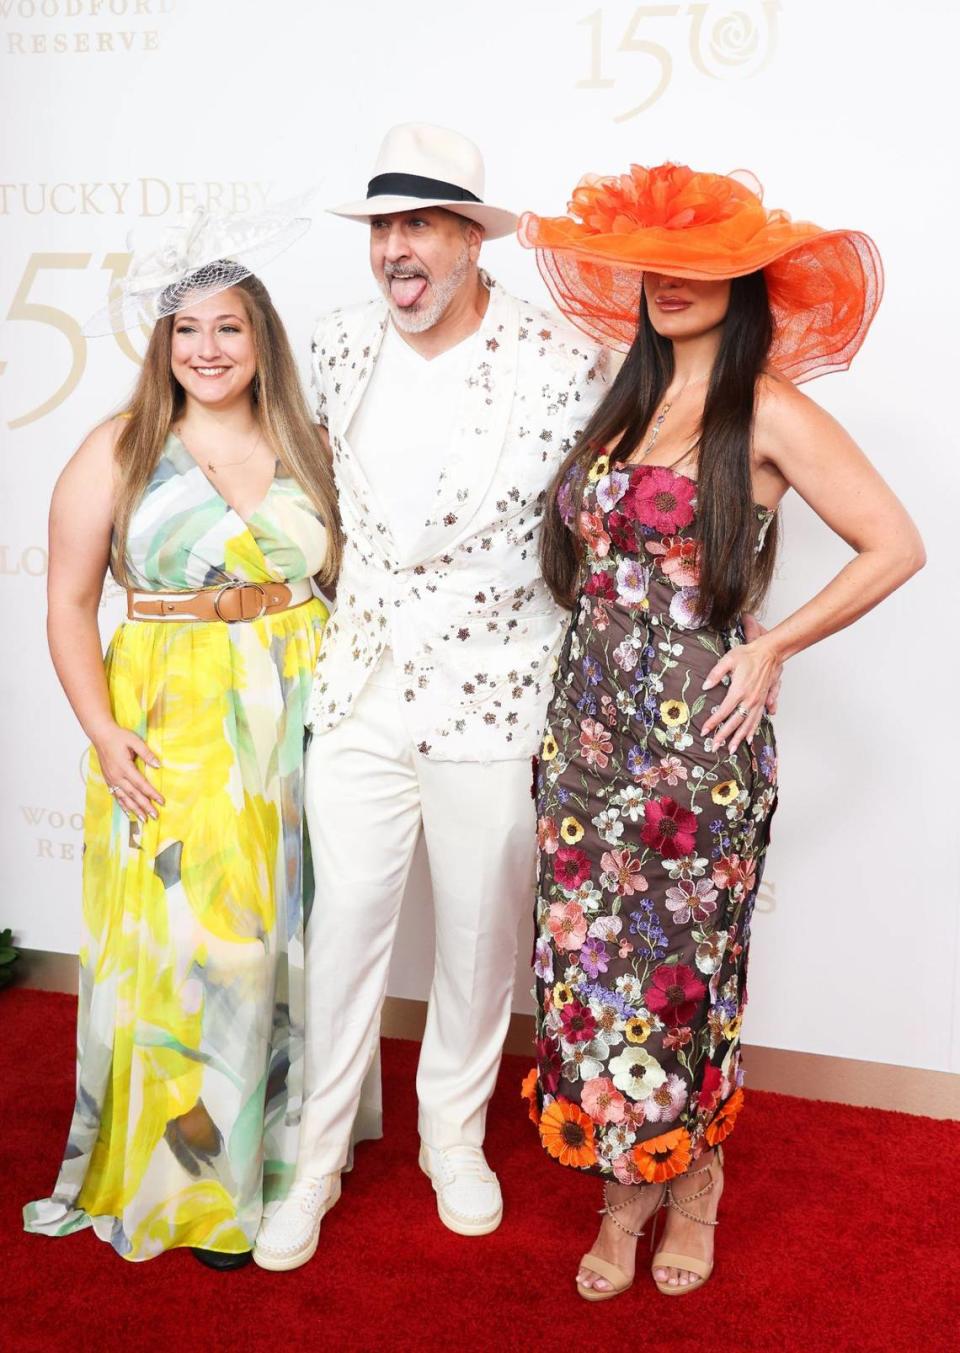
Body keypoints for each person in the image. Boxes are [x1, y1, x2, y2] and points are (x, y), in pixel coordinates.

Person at [519, 162, 924, 1299]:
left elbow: (895, 543)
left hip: (699, 736)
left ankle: (690, 1184)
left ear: (745, 285)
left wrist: (775, 642)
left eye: (700, 268)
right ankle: (623, 1183)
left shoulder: (774, 411)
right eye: (656, 266)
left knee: (681, 973)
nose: (671, 285)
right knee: (587, 973)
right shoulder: (623, 398)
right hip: (586, 731)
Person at [253, 123, 610, 1271]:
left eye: (418, 228)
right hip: (357, 690)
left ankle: (455, 1139)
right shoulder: (338, 345)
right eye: (382, 230)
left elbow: (597, 527)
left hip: (498, 698)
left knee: (476, 933)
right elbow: (305, 497)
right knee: (344, 928)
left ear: (468, 239)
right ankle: (315, 1159)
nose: (396, 251)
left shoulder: (561, 362)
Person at [23, 208, 341, 1266]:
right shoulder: (119, 448)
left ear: (263, 344)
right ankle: (193, 1187)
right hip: (171, 722)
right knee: (195, 951)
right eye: (185, 330)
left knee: (292, 939)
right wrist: (105, 734)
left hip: (300, 710)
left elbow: (349, 579)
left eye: (230, 330)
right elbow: (70, 605)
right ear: (161, 345)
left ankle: (286, 1163)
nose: (207, 350)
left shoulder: (309, 442)